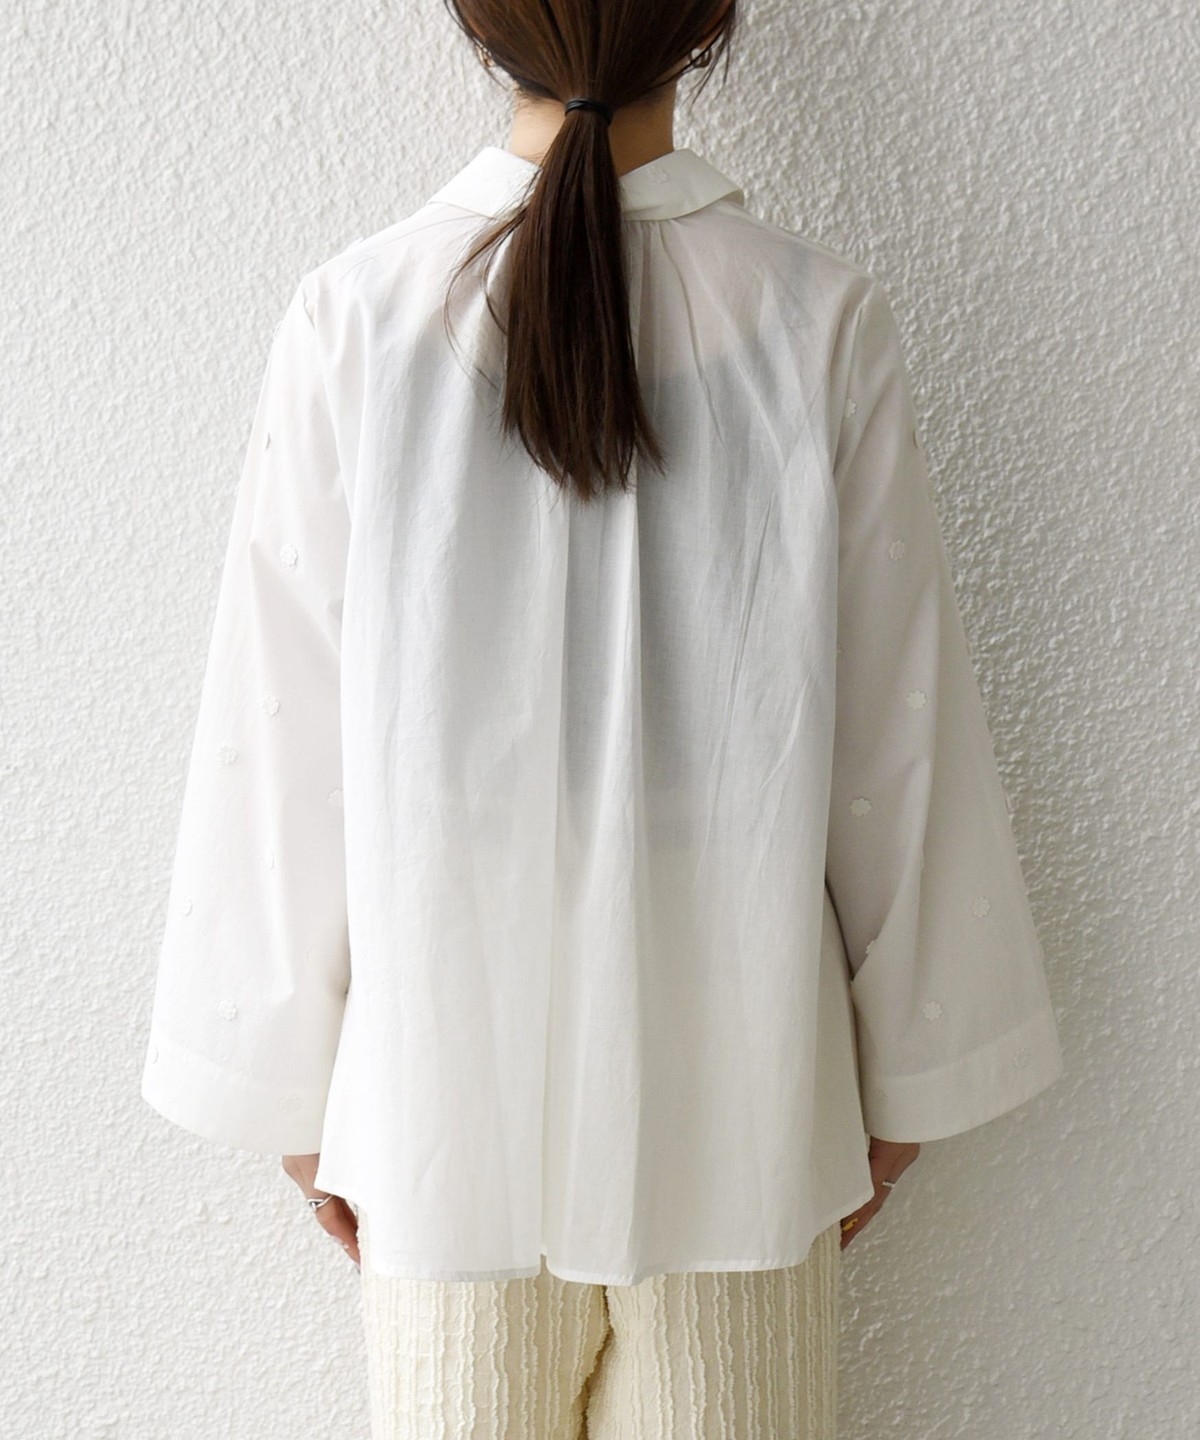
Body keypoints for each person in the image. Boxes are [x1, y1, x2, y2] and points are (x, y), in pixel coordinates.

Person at [139, 1, 1065, 1435]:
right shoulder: (816, 323)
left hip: (440, 1102)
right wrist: (907, 1074)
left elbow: (282, 740)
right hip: (746, 1095)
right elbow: (899, 739)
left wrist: (293, 1094)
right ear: (707, 26)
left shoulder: (356, 320)